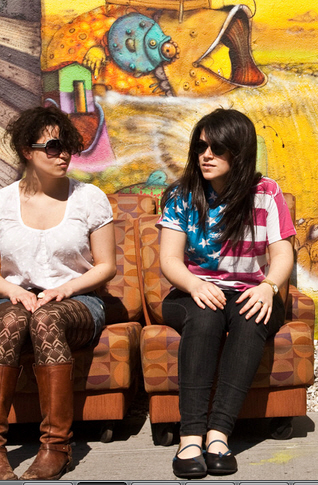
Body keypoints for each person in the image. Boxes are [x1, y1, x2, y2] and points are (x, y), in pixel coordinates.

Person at [0, 106, 116, 481]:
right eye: (54, 146)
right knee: (11, 320)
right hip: (15, 297)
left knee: (47, 317)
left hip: (78, 301)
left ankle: (56, 446)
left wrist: (66, 287)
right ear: (27, 149)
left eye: (68, 146)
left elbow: (106, 266)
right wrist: (13, 292)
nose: (64, 154)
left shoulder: (89, 198)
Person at [157, 108, 295, 478]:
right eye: (201, 147)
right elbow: (169, 260)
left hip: (251, 291)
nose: (206, 155)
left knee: (251, 319)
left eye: (217, 148)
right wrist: (194, 284)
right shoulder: (183, 194)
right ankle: (190, 439)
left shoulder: (266, 194)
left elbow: (282, 253)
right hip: (192, 291)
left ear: (239, 151)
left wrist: (269, 287)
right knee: (204, 318)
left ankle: (218, 436)